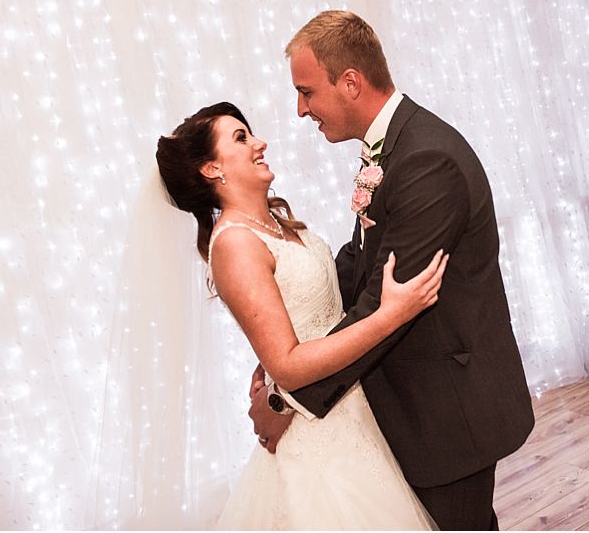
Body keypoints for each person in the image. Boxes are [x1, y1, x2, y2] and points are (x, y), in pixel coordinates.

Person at [248, 10, 535, 531]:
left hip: (448, 409)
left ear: (350, 82)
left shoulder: (427, 160)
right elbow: (361, 260)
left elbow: (389, 303)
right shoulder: (393, 146)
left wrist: (285, 397)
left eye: (307, 91)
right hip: (413, 403)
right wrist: (291, 333)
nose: (299, 109)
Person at [155, 102, 449, 529]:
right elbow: (289, 367)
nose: (260, 143)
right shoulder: (236, 244)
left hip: (353, 411)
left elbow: (303, 319)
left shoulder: (276, 223)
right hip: (319, 443)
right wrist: (391, 315)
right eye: (241, 138)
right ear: (211, 169)